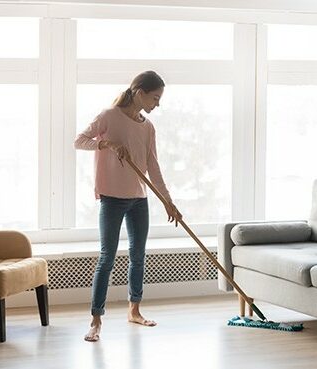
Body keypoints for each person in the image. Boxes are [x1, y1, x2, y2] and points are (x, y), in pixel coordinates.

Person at [74, 70, 181, 342]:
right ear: (139, 92)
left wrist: (168, 202)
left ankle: (134, 310)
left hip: (138, 200)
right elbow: (80, 141)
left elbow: (153, 167)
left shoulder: (148, 127)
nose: (157, 104)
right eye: (155, 98)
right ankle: (96, 319)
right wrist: (107, 143)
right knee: (106, 258)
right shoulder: (109, 116)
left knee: (138, 257)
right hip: (111, 198)